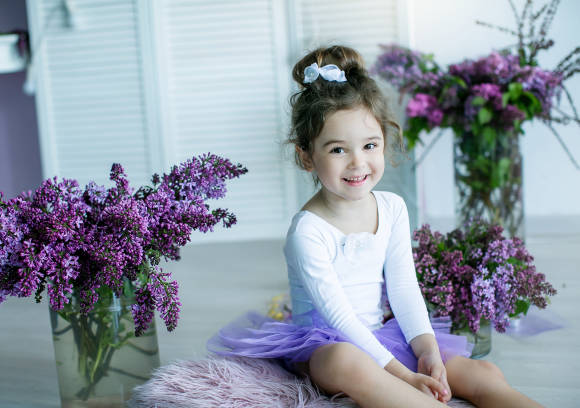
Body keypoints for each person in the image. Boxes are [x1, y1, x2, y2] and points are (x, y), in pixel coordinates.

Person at [209, 45, 544, 408]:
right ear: (307, 156)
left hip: (380, 333)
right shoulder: (308, 231)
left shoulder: (392, 207)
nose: (358, 163)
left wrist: (427, 349)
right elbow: (339, 319)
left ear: (385, 142)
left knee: (478, 374)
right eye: (338, 150)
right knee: (349, 362)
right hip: (326, 343)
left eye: (370, 145)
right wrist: (402, 374)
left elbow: (403, 288)